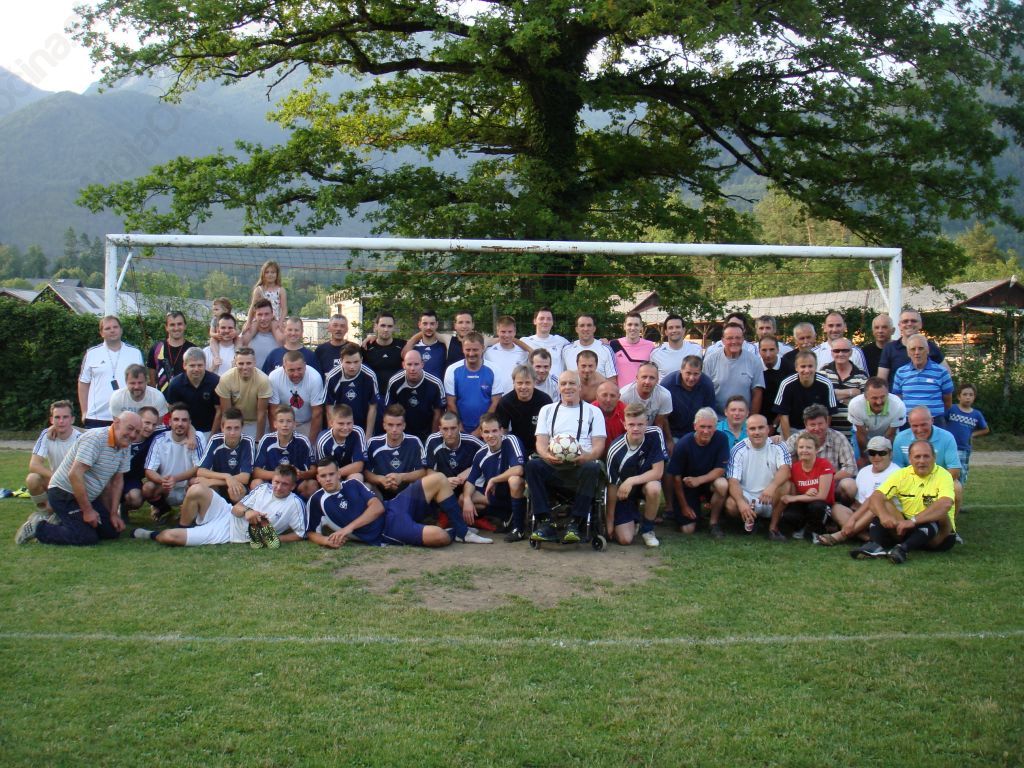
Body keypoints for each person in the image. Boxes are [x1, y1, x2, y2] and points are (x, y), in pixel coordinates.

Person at [16, 412, 143, 547]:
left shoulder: (125, 445)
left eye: (137, 432)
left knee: (111, 531)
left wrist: (113, 514)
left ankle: (62, 520)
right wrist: (88, 511)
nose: (133, 435)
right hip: (64, 493)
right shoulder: (95, 439)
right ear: (116, 423)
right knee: (85, 537)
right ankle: (38, 526)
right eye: (130, 428)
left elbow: (117, 481)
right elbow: (75, 474)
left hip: (87, 496)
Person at [305, 457, 491, 547]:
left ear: (339, 474)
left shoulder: (353, 483)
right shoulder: (316, 500)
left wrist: (347, 529)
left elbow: (377, 507)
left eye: (331, 474)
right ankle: (453, 532)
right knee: (439, 537)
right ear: (318, 478)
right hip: (387, 530)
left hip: (393, 507)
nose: (328, 479)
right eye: (323, 476)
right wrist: (326, 541)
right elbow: (311, 532)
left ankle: (462, 531)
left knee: (439, 478)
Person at [136, 464, 306, 548]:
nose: (278, 487)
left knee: (168, 537)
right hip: (226, 513)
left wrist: (275, 539)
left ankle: (151, 534)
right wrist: (248, 511)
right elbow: (236, 508)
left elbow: (300, 534)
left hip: (228, 532)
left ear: (292, 486)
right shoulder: (263, 489)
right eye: (276, 482)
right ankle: (186, 528)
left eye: (284, 484)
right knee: (196, 489)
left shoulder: (295, 504)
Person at [526, 370, 607, 544]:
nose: (567, 387)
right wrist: (547, 455)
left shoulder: (594, 412)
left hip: (580, 467)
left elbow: (599, 446)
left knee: (593, 466)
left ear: (579, 387)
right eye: (563, 384)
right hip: (553, 466)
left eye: (572, 383)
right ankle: (545, 523)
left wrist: (587, 456)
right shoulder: (547, 410)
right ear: (558, 387)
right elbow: (540, 443)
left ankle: (575, 523)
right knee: (532, 465)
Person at [852, 440, 957, 563]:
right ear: (910, 459)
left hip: (939, 535)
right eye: (917, 457)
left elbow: (946, 503)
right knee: (883, 504)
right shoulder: (902, 474)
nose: (922, 461)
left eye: (926, 456)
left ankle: (902, 549)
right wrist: (884, 515)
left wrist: (913, 521)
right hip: (910, 529)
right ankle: (875, 545)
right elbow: (876, 496)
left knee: (939, 513)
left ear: (934, 457)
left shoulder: (943, 475)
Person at [814, 435, 898, 547]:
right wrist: (855, 513)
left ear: (890, 454)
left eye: (881, 453)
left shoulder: (896, 472)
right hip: (862, 513)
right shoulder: (864, 471)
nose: (876, 457)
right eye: (872, 453)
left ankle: (841, 535)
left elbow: (877, 501)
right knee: (836, 508)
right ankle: (866, 537)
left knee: (875, 505)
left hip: (884, 515)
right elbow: (859, 500)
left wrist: (854, 518)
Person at [605, 403, 667, 547]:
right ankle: (634, 517)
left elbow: (658, 472)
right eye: (631, 424)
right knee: (625, 540)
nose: (636, 428)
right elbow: (612, 486)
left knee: (654, 487)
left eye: (640, 424)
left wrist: (631, 480)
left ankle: (648, 530)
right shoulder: (615, 450)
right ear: (624, 424)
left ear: (647, 423)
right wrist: (609, 521)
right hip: (625, 494)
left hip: (645, 485)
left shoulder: (655, 434)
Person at [724, 414, 791, 539]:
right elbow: (733, 481)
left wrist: (772, 487)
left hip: (771, 496)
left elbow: (785, 470)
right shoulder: (738, 450)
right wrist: (741, 503)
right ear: (746, 431)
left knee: (786, 485)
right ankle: (751, 520)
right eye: (752, 429)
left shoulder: (779, 446)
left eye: (761, 428)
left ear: (767, 429)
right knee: (731, 505)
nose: (757, 432)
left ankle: (773, 528)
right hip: (748, 497)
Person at [461, 413, 527, 540]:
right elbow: (470, 481)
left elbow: (519, 469)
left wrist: (494, 479)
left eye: (494, 431)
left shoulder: (511, 440)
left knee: (514, 480)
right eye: (486, 432)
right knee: (463, 498)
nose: (490, 435)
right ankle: (504, 518)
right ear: (481, 433)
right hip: (497, 496)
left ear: (501, 430)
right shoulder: (480, 454)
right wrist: (467, 499)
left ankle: (518, 528)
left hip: (519, 492)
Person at [668, 407, 729, 537]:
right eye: (702, 426)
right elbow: (676, 478)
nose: (706, 431)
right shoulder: (683, 444)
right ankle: (691, 513)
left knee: (722, 484)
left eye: (710, 427)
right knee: (687, 529)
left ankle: (714, 523)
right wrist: (684, 506)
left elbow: (720, 469)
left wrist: (699, 480)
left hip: (708, 482)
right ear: (695, 426)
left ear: (715, 427)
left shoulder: (722, 438)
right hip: (687, 486)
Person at [78, 315, 144, 428]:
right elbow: (83, 383)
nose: (112, 330)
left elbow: (142, 384)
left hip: (127, 415)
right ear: (101, 333)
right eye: (107, 328)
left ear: (121, 330)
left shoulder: (135, 353)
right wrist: (84, 411)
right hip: (97, 417)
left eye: (115, 327)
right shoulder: (92, 354)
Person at [784, 404, 858, 505]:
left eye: (820, 424)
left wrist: (824, 480)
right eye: (812, 425)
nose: (817, 428)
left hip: (832, 484)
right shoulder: (796, 438)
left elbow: (851, 468)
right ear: (806, 425)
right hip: (803, 484)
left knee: (850, 485)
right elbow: (782, 461)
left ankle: (838, 507)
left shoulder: (838, 437)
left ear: (827, 422)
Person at [891, 406, 962, 511]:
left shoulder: (947, 437)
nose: (920, 430)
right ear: (909, 424)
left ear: (932, 420)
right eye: (915, 426)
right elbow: (897, 468)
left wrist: (931, 484)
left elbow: (954, 470)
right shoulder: (900, 438)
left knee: (956, 487)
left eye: (923, 424)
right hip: (909, 481)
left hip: (938, 480)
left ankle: (949, 521)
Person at [143, 403, 205, 518]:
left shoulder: (197, 437)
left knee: (199, 482)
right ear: (170, 422)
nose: (180, 424)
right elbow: (149, 470)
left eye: (184, 420)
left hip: (188, 487)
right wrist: (163, 480)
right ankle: (163, 509)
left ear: (190, 423)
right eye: (176, 419)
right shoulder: (159, 439)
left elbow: (199, 467)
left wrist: (175, 479)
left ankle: (189, 509)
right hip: (166, 488)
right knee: (148, 488)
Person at [25, 400, 83, 515]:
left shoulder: (80, 439)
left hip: (74, 483)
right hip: (55, 481)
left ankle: (59, 509)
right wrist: (57, 478)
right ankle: (44, 514)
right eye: (57, 417)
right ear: (51, 420)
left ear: (72, 419)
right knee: (32, 479)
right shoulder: (46, 435)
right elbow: (34, 465)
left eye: (65, 417)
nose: (61, 421)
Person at [776, 432, 834, 539]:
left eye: (809, 447)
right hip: (803, 503)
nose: (804, 450)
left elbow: (822, 496)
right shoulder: (794, 468)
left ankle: (817, 531)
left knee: (817, 507)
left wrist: (795, 498)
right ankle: (802, 528)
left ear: (816, 450)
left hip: (822, 505)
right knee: (788, 518)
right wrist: (804, 494)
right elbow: (794, 494)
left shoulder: (824, 465)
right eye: (801, 447)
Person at [364, 404, 427, 500]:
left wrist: (402, 477)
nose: (394, 429)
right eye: (390, 425)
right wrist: (380, 479)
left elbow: (423, 471)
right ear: (384, 425)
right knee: (366, 486)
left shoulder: (414, 442)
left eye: (398, 425)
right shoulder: (373, 443)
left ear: (404, 425)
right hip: (380, 492)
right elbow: (366, 471)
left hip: (409, 492)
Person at [253, 405, 317, 497]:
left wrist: (300, 474)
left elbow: (314, 470)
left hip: (295, 482)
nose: (285, 425)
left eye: (289, 421)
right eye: (281, 421)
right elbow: (256, 472)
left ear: (294, 424)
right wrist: (280, 475)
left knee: (312, 485)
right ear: (275, 424)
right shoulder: (266, 440)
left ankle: (302, 505)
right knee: (256, 483)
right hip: (273, 483)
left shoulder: (303, 441)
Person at [892, 333, 954, 427]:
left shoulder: (941, 372)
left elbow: (948, 402)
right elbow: (898, 401)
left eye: (920, 348)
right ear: (908, 353)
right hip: (908, 423)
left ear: (928, 350)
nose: (917, 352)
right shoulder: (900, 372)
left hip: (935, 422)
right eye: (913, 349)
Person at [383, 350, 445, 442]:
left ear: (422, 364)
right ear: (403, 365)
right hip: (402, 433)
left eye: (416, 364)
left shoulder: (435, 383)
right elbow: (390, 411)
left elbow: (438, 412)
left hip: (427, 432)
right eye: (409, 364)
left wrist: (432, 438)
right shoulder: (394, 382)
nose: (413, 368)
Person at [772, 350, 836, 439]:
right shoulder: (786, 384)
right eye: (803, 366)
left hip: (817, 429)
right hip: (792, 428)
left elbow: (828, 414)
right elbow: (783, 414)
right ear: (796, 367)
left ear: (816, 367)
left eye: (810, 366)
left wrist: (821, 438)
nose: (807, 370)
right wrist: (788, 442)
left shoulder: (826, 384)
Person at [702, 324, 764, 416]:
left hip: (744, 419)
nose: (734, 341)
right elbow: (704, 392)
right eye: (730, 338)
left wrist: (752, 419)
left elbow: (757, 393)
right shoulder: (710, 361)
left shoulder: (754, 361)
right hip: (717, 418)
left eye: (738, 338)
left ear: (743, 339)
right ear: (723, 340)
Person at [195, 408, 255, 503]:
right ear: (222, 428)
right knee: (198, 485)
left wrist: (214, 481)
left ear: (242, 428)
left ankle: (236, 512)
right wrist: (227, 476)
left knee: (234, 491)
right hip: (219, 485)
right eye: (228, 428)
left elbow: (245, 478)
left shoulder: (248, 441)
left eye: (236, 428)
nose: (232, 432)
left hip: (238, 484)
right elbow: (201, 471)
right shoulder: (215, 439)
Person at [444, 331, 499, 434]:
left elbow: (495, 402)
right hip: (460, 429)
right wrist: (460, 427)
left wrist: (479, 431)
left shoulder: (494, 369)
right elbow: (450, 402)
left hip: (486, 431)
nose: (471, 354)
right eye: (468, 350)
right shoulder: (452, 370)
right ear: (462, 349)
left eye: (475, 350)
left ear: (483, 348)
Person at [877, 309, 949, 385]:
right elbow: (881, 381)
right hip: (898, 392)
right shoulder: (890, 348)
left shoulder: (930, 346)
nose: (909, 324)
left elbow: (947, 375)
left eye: (913, 321)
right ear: (900, 326)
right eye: (905, 321)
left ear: (920, 324)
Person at [494, 363, 552, 456]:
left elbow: (551, 429)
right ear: (514, 383)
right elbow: (502, 430)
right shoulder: (506, 402)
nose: (523, 387)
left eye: (527, 383)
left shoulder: (545, 401)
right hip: (516, 447)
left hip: (541, 448)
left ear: (534, 383)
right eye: (520, 383)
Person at [215, 347, 272, 440]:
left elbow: (261, 413)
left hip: (255, 421)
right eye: (241, 363)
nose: (245, 367)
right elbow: (227, 412)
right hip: (235, 421)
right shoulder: (226, 378)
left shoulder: (263, 380)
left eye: (248, 363)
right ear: (235, 363)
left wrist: (258, 440)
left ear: (254, 362)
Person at [323, 343, 379, 438]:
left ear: (361, 360)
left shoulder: (370, 376)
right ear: (341, 361)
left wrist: (368, 436)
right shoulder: (332, 377)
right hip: (340, 426)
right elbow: (330, 406)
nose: (352, 366)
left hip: (362, 426)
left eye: (356, 362)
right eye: (348, 362)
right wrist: (333, 432)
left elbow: (373, 407)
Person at [268, 350, 325, 441]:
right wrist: (275, 438)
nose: (296, 374)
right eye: (291, 370)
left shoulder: (314, 377)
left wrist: (310, 443)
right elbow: (273, 410)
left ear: (305, 366)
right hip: (284, 423)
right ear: (284, 367)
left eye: (299, 369)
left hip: (307, 422)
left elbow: (317, 413)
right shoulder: (274, 377)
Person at [165, 347, 221, 436]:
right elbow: (172, 410)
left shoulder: (215, 382)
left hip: (210, 430)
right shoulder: (175, 384)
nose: (196, 369)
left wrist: (212, 436)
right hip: (184, 431)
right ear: (184, 365)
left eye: (200, 365)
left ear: (205, 365)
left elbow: (219, 410)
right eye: (192, 365)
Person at [819, 337, 868, 440]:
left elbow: (864, 403)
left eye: (845, 350)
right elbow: (820, 398)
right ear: (832, 353)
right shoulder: (824, 372)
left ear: (851, 352)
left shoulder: (862, 375)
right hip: (828, 431)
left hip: (854, 432)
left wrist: (833, 395)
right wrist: (850, 392)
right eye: (836, 351)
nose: (840, 354)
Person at [423, 412, 485, 492]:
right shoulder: (433, 441)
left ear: (459, 427)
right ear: (440, 429)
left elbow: (491, 456)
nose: (449, 433)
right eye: (445, 429)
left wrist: (471, 470)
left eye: (453, 428)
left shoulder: (471, 441)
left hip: (467, 486)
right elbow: (429, 470)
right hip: (443, 487)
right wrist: (444, 480)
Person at [121, 406, 164, 519]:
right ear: (138, 420)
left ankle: (123, 508)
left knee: (136, 499)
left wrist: (191, 436)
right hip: (112, 476)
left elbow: (179, 425)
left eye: (154, 424)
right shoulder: (123, 432)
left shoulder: (155, 435)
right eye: (147, 423)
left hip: (131, 478)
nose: (150, 428)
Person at [848, 377, 907, 459]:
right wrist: (865, 457)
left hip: (887, 436)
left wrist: (881, 455)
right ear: (865, 397)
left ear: (888, 394)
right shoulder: (855, 405)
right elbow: (861, 434)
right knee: (859, 460)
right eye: (874, 398)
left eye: (882, 397)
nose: (879, 402)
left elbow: (890, 435)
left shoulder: (898, 406)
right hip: (863, 435)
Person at [619, 361, 673, 451]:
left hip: (650, 432)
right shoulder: (624, 395)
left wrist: (667, 441)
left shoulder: (664, 395)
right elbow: (622, 423)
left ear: (657, 380)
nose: (647, 382)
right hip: (629, 433)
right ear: (637, 378)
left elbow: (659, 424)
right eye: (644, 377)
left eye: (652, 378)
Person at [661, 355, 717, 441]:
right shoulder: (667, 384)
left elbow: (709, 413)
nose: (691, 378)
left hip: (697, 433)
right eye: (688, 373)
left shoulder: (707, 384)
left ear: (701, 373)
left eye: (696, 374)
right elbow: (662, 417)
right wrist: (669, 440)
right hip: (673, 433)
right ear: (681, 370)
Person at [945, 382, 989, 486]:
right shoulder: (951, 409)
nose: (968, 397)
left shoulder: (976, 414)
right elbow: (941, 421)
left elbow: (986, 429)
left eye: (971, 395)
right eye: (964, 394)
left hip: (964, 448)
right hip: (949, 447)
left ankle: (959, 491)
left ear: (974, 397)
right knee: (948, 473)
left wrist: (973, 435)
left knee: (961, 473)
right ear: (958, 397)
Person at [314, 404, 367, 480]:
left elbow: (359, 465)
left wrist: (337, 473)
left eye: (349, 423)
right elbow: (323, 470)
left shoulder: (358, 432)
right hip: (330, 477)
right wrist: (335, 476)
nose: (345, 427)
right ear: (331, 423)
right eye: (341, 423)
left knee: (357, 477)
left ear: (353, 422)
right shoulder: (323, 441)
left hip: (350, 473)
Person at [147, 311, 196, 392]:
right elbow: (152, 381)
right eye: (172, 325)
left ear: (185, 326)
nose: (176, 328)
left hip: (187, 398)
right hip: (161, 398)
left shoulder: (193, 350)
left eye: (179, 324)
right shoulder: (156, 348)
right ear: (166, 327)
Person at [363, 311, 407, 396]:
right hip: (373, 398)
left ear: (394, 328)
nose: (386, 329)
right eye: (382, 325)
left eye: (389, 326)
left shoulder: (403, 346)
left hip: (397, 398)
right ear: (376, 326)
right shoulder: (366, 347)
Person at [484, 315, 530, 394]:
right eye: (503, 332)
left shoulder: (523, 353)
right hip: (495, 396)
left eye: (510, 332)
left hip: (516, 397)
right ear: (497, 331)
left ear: (514, 332)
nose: (507, 335)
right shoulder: (488, 352)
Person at [650, 314, 704, 380]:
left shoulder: (696, 350)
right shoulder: (656, 354)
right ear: (666, 332)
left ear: (684, 330)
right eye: (671, 328)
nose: (674, 330)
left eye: (678, 327)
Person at [562, 313, 616, 378]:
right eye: (582, 325)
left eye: (589, 325)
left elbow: (612, 380)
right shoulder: (567, 350)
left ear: (594, 328)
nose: (586, 329)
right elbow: (562, 376)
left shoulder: (606, 349)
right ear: (576, 329)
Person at [609, 311, 655, 387]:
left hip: (642, 393)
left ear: (641, 326)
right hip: (620, 393)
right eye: (629, 324)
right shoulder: (613, 345)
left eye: (636, 325)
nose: (633, 328)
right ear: (624, 326)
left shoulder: (650, 346)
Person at [400, 310, 447, 380]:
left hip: (438, 386)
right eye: (425, 324)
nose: (428, 327)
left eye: (432, 324)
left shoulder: (444, 347)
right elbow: (403, 355)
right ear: (419, 325)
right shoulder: (414, 347)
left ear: (437, 325)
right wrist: (416, 338)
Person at [522, 307, 569, 377]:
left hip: (557, 384)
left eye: (549, 319)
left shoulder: (561, 341)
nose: (545, 322)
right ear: (535, 321)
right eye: (541, 318)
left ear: (552, 322)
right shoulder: (524, 342)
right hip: (533, 383)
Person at [239, 298, 285, 369]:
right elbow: (239, 345)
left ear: (272, 314)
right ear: (255, 316)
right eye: (260, 315)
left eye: (266, 314)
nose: (263, 318)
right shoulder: (249, 332)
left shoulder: (279, 333)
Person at [757, 336, 787, 431]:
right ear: (759, 351)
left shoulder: (789, 368)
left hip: (782, 420)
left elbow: (788, 401)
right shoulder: (754, 366)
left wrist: (774, 425)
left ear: (778, 350)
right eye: (764, 350)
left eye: (771, 350)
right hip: (758, 420)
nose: (768, 354)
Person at [247, 259, 287, 324]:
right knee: (251, 328)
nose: (270, 275)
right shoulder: (259, 290)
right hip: (260, 320)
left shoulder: (281, 290)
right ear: (263, 274)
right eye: (267, 272)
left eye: (273, 272)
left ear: (277, 274)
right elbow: (252, 308)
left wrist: (280, 322)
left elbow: (284, 309)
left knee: (277, 328)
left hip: (274, 320)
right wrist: (248, 323)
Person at [593, 380, 626, 448]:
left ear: (619, 397)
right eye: (604, 395)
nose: (608, 400)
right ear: (596, 396)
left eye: (612, 396)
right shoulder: (588, 413)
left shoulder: (626, 412)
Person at [860, 313, 894, 377]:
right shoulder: (864, 352)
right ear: (872, 331)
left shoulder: (899, 350)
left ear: (893, 330)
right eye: (876, 328)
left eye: (884, 327)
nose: (880, 331)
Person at [205, 297, 233, 373]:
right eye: (213, 310)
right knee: (212, 340)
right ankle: (216, 356)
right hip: (217, 338)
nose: (214, 312)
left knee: (239, 339)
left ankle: (238, 353)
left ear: (226, 310)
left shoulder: (231, 319)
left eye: (216, 309)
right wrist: (215, 335)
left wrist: (234, 333)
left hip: (232, 338)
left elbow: (238, 331)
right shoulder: (214, 320)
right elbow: (211, 332)